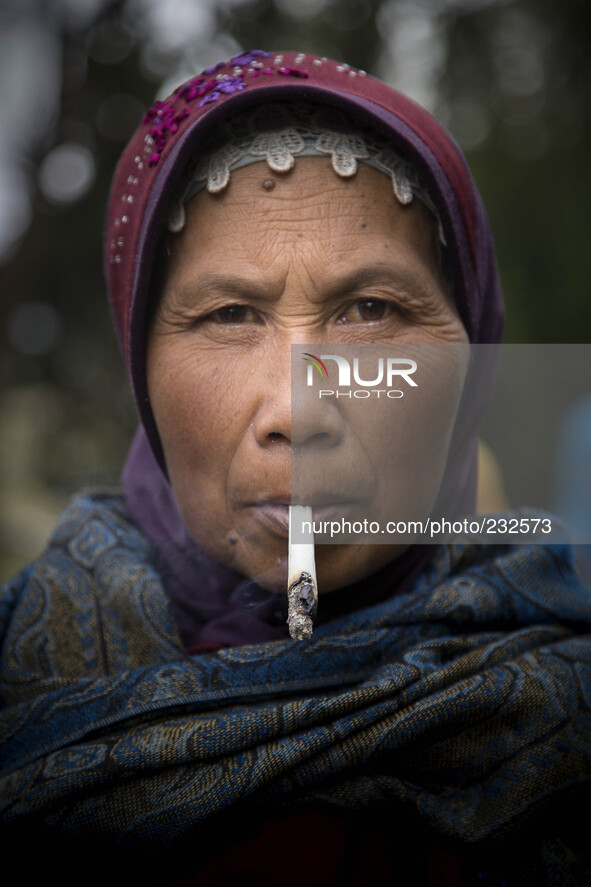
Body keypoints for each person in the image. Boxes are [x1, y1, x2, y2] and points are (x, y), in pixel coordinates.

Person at [1, 49, 590, 886]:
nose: (297, 413)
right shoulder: (18, 673)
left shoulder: (566, 697)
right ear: (141, 364)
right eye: (229, 313)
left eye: (370, 310)